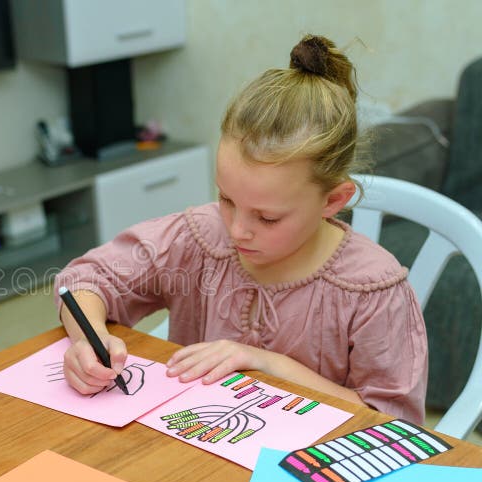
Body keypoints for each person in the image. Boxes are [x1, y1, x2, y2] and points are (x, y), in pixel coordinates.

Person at [54, 35, 427, 423]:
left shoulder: (373, 290)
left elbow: (393, 424)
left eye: (267, 218)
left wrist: (266, 364)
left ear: (333, 201)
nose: (237, 230)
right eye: (226, 199)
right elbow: (87, 279)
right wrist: (87, 341)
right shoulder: (199, 237)